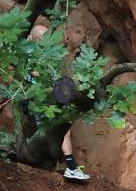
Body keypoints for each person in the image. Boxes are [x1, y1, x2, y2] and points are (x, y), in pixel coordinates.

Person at [29, 24, 90, 181]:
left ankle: (67, 166)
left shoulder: (43, 52)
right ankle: (68, 166)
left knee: (61, 129)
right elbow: (35, 74)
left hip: (48, 97)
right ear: (36, 39)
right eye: (44, 38)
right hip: (38, 98)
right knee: (54, 129)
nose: (49, 41)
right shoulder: (30, 53)